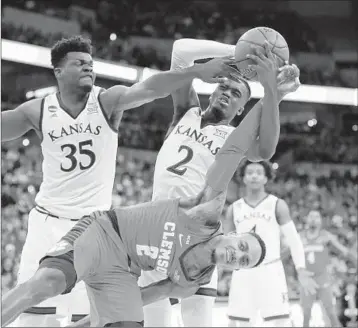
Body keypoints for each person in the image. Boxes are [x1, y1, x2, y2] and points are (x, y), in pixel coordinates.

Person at [1, 35, 240, 327]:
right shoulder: (36, 110)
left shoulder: (106, 100)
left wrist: (193, 72)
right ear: (58, 72)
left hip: (91, 228)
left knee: (85, 318)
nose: (89, 67)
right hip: (46, 220)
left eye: (91, 63)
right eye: (79, 63)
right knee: (34, 318)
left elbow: (151, 89)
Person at [140, 38, 301, 327]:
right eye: (223, 87)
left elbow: (266, 150)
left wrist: (275, 94)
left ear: (241, 110)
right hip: (157, 227)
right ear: (213, 91)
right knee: (154, 322)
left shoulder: (235, 139)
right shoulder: (185, 112)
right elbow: (179, 50)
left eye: (236, 93)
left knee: (198, 320)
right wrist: (239, 54)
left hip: (200, 235)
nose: (227, 93)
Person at [226, 161, 317, 327]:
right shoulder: (234, 208)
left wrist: (301, 269)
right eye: (250, 172)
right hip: (243, 273)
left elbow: (294, 240)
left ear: (266, 178)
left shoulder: (277, 204)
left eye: (259, 173)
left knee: (279, 321)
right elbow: (226, 246)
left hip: (271, 270)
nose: (254, 176)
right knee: (238, 323)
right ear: (244, 178)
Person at [300, 210, 357, 327]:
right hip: (307, 280)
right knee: (306, 314)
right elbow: (286, 252)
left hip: (323, 278)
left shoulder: (326, 236)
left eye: (316, 217)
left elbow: (344, 251)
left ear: (321, 221)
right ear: (306, 219)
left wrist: (354, 258)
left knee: (330, 312)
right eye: (311, 216)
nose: (313, 219)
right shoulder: (300, 236)